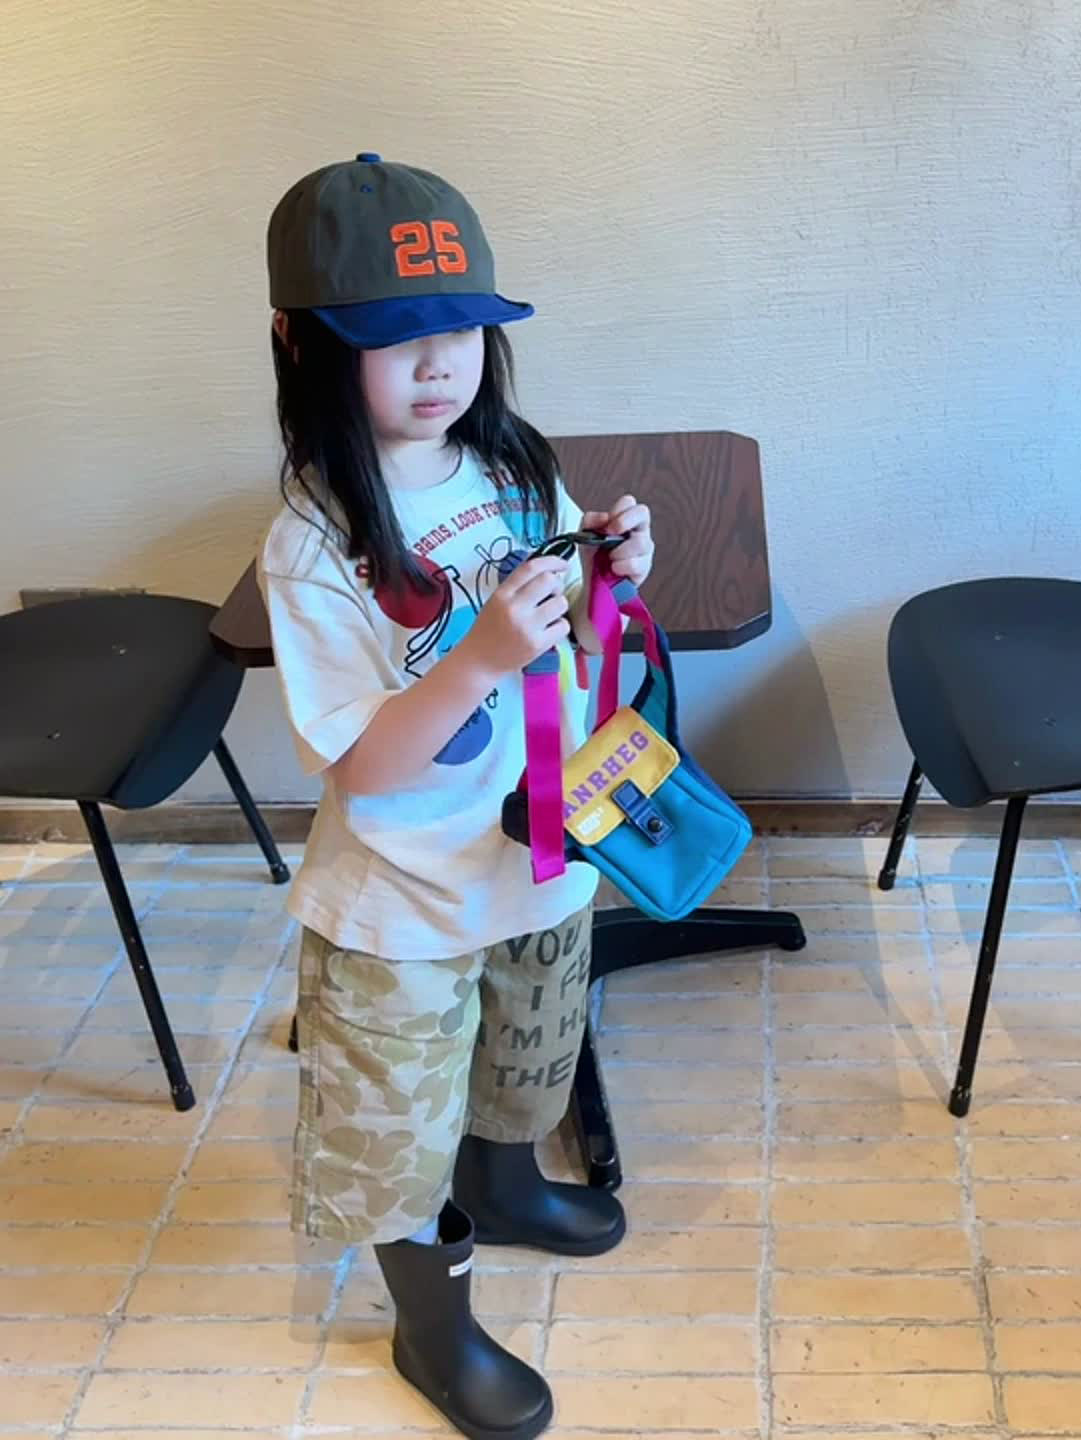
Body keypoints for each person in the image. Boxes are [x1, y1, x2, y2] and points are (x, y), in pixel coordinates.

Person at [259, 153, 654, 1440]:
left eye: (463, 330)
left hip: (538, 848)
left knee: (526, 1050)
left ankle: (511, 1184)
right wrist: (477, 657)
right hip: (402, 899)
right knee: (396, 1128)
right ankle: (432, 1330)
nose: (440, 364)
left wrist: (610, 574)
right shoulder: (313, 539)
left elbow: (572, 630)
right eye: (395, 338)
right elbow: (362, 763)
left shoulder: (512, 464)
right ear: (305, 345)